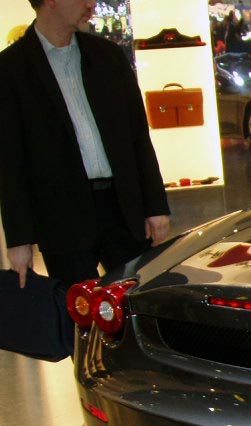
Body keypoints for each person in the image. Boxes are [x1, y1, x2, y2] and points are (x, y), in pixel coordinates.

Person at [0, 0, 170, 289]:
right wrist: (19, 239)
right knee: (79, 316)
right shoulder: (11, 68)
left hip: (122, 209)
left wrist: (156, 205)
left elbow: (138, 137)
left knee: (136, 303)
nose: (92, 4)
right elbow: (9, 160)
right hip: (61, 218)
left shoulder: (109, 57)